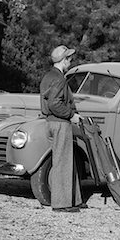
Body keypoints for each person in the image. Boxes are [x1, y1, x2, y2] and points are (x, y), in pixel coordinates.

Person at [40, 45, 84, 213]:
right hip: (60, 123)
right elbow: (54, 103)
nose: (70, 61)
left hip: (51, 123)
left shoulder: (48, 76)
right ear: (63, 60)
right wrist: (71, 115)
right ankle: (61, 204)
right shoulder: (59, 79)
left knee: (65, 161)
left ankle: (74, 200)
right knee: (62, 163)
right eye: (69, 59)